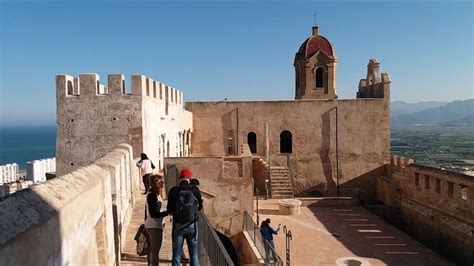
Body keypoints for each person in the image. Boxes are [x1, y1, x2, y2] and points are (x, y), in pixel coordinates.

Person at [167, 169, 203, 266]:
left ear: (179, 178)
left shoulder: (174, 190)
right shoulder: (195, 191)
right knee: (194, 254)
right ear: (189, 179)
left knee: (177, 255)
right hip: (192, 225)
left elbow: (169, 209)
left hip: (178, 225)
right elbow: (200, 207)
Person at [145, 174, 168, 266]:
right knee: (155, 252)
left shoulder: (155, 194)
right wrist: (167, 212)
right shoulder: (152, 196)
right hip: (154, 226)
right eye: (162, 182)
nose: (163, 184)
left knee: (151, 250)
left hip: (153, 225)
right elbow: (153, 214)